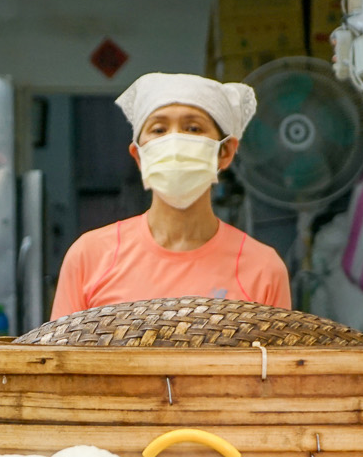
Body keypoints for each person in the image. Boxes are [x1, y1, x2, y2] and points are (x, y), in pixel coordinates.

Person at [51, 72, 291, 315]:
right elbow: (58, 354)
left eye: (193, 128)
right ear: (139, 155)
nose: (175, 142)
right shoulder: (90, 258)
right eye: (158, 129)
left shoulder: (263, 269)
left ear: (226, 151)